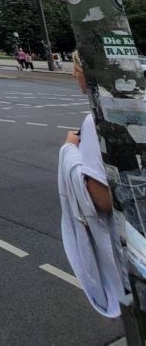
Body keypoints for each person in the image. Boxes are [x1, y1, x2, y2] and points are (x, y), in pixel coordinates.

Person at [58, 51, 131, 318]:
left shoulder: (96, 119)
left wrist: (70, 151)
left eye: (75, 68)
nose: (72, 74)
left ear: (87, 73)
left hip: (131, 245)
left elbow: (101, 199)